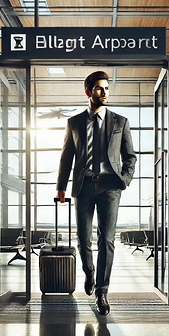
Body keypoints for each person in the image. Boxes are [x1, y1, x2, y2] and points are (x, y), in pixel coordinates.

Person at [56, 70, 137, 315]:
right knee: (83, 240)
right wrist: (61, 186)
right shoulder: (74, 123)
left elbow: (130, 156)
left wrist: (125, 180)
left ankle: (102, 291)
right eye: (100, 88)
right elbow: (66, 157)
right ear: (88, 92)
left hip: (111, 187)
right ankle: (90, 272)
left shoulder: (120, 122)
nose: (105, 92)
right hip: (83, 186)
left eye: (107, 88)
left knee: (107, 240)